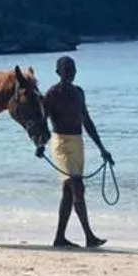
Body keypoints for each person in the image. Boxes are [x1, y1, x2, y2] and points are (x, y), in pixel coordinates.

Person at [40, 55, 110, 249]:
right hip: (61, 144)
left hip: (78, 143)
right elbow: (42, 121)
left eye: (73, 68)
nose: (71, 72)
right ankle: (89, 236)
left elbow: (86, 121)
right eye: (67, 69)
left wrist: (102, 149)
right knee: (77, 187)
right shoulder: (52, 94)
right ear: (58, 72)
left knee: (68, 192)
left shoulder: (79, 92)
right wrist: (40, 144)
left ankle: (59, 238)